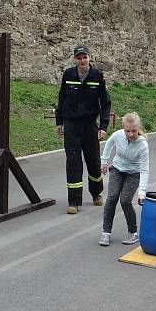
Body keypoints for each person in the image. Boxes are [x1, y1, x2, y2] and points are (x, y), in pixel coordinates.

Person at [55, 45, 112, 214]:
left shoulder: (97, 76)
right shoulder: (68, 74)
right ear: (75, 59)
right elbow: (61, 98)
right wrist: (60, 123)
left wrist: (103, 126)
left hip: (89, 125)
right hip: (71, 124)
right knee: (73, 162)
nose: (82, 60)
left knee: (93, 161)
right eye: (79, 58)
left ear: (89, 57)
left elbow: (105, 103)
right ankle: (74, 201)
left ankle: (96, 193)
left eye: (84, 57)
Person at [98, 112, 149, 246]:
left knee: (125, 201)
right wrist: (104, 161)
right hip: (117, 169)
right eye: (127, 131)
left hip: (133, 173)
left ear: (138, 129)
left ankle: (133, 232)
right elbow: (109, 144)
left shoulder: (142, 145)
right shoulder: (118, 135)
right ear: (123, 128)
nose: (131, 134)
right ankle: (106, 233)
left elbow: (144, 170)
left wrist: (142, 192)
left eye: (134, 131)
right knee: (111, 198)